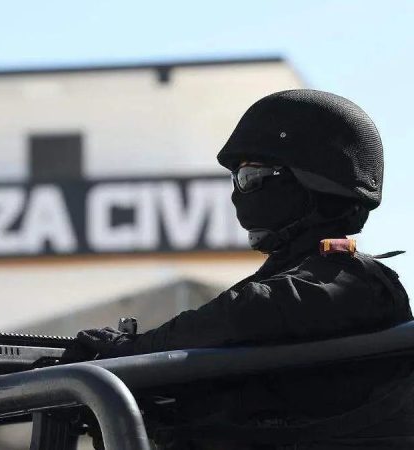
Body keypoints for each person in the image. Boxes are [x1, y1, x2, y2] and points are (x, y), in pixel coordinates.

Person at [65, 89, 414, 449]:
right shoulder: (298, 291)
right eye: (235, 179)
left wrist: (129, 352)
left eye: (250, 176)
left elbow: (250, 313)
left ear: (313, 182)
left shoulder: (355, 281)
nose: (238, 193)